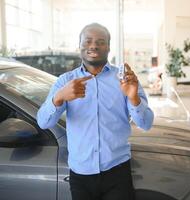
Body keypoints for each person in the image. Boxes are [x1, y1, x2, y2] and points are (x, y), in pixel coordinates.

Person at [37, 23, 154, 200]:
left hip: (117, 171)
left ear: (108, 47)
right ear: (80, 46)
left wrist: (133, 97)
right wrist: (59, 97)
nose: (93, 46)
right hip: (80, 175)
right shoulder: (65, 82)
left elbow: (146, 124)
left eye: (100, 41)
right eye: (88, 41)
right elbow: (43, 122)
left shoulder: (124, 80)